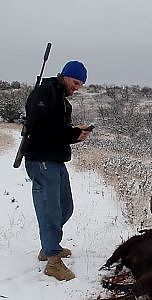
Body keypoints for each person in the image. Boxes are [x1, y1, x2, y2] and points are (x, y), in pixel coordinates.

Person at [24, 60, 91, 281]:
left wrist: (75, 133)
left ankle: (49, 244)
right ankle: (52, 259)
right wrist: (71, 134)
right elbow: (40, 129)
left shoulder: (62, 101)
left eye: (80, 84)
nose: (77, 87)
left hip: (55, 160)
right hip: (42, 161)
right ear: (65, 75)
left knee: (65, 208)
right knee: (50, 210)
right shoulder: (46, 92)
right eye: (75, 82)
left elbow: (58, 132)